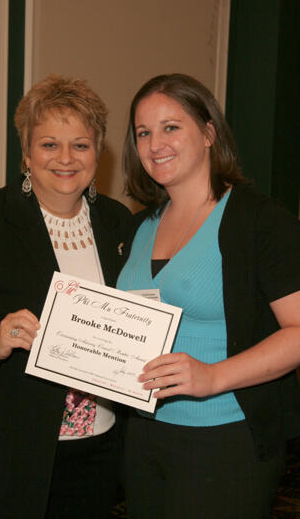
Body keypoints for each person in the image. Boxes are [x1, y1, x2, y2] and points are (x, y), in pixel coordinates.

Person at [0, 74, 132, 519]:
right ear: (25, 153)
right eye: (48, 145)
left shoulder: (120, 226)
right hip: (0, 449)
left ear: (97, 154)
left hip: (96, 447)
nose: (65, 158)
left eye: (80, 145)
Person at [117, 73, 300, 519]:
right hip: (143, 437)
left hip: (224, 438)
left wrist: (213, 377)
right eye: (144, 133)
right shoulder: (140, 227)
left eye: (171, 127)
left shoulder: (259, 220)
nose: (155, 143)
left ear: (209, 133)